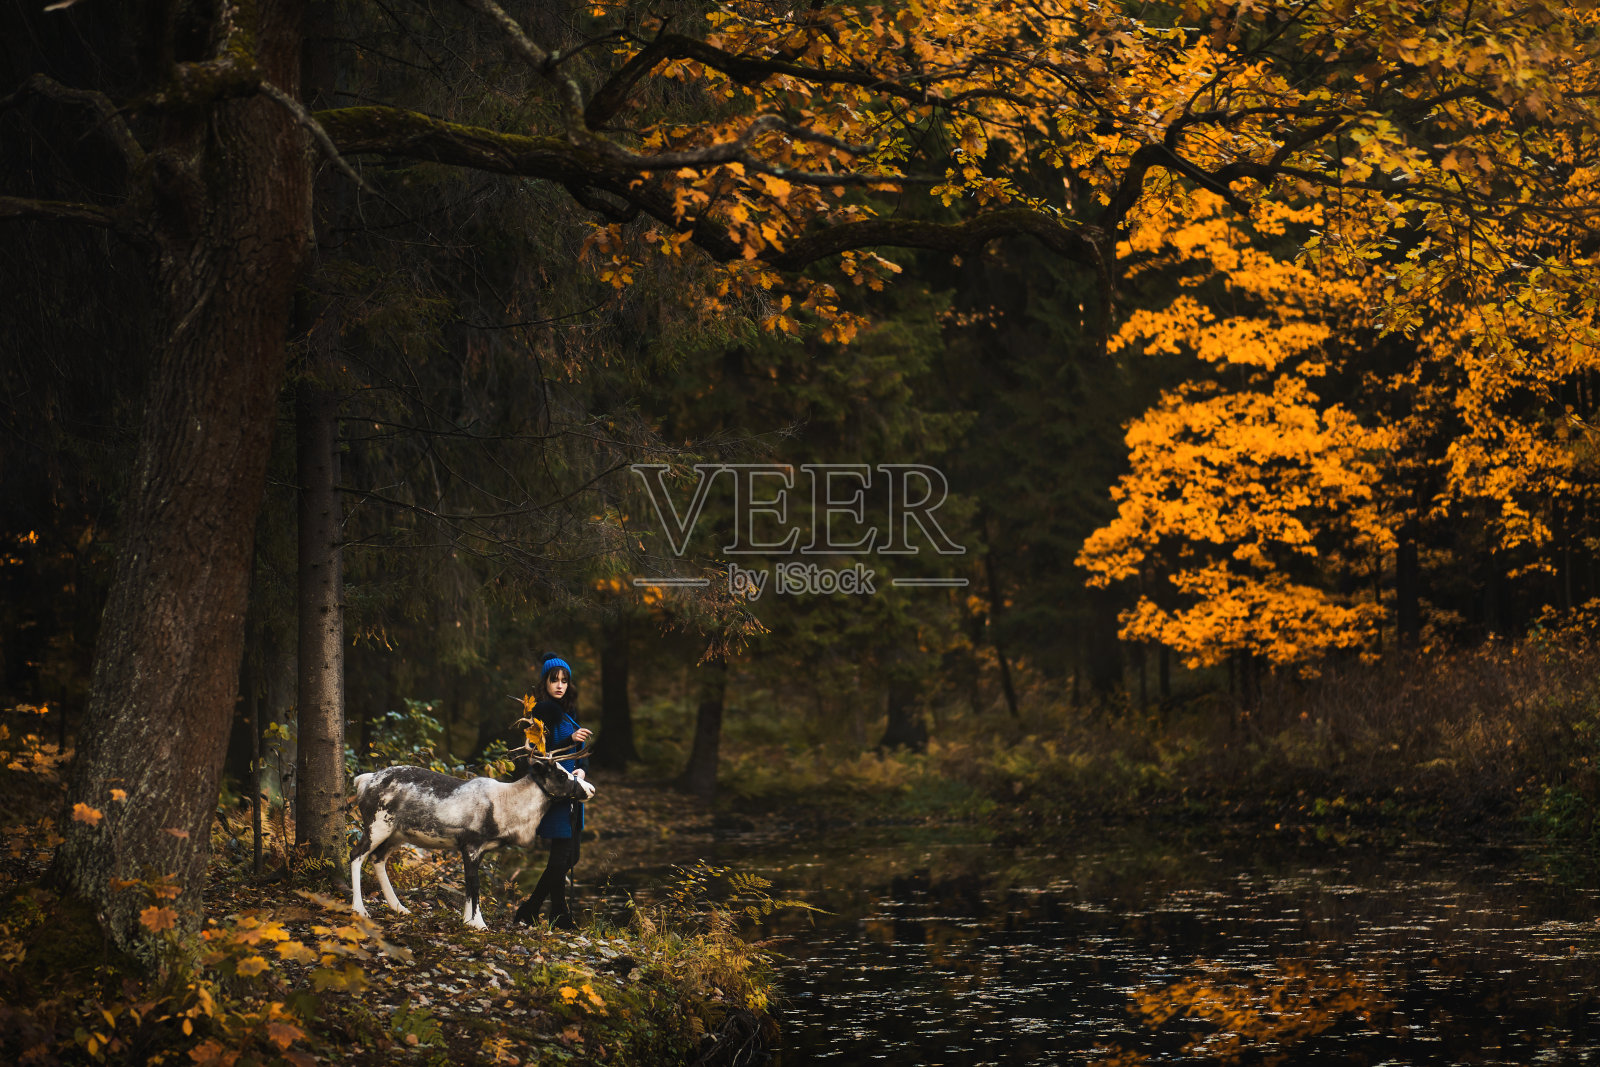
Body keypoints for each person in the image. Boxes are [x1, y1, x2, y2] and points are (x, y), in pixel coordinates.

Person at [512, 652, 592, 930]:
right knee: (565, 856)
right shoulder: (542, 712)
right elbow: (541, 750)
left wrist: (582, 768)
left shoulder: (570, 711)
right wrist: (569, 738)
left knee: (570, 855)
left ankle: (558, 914)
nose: (559, 685)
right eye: (554, 679)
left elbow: (578, 751)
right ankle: (530, 909)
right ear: (544, 681)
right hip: (554, 791)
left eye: (564, 680)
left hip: (573, 787)